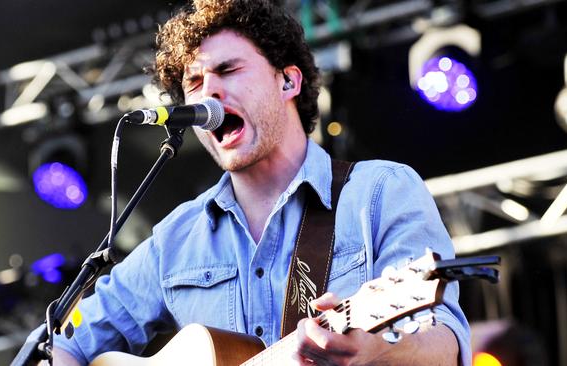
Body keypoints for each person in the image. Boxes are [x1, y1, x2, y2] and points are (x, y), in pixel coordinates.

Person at [47, 0, 470, 364]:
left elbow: (446, 345)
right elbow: (64, 345)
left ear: (288, 80)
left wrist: (376, 353)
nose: (207, 94)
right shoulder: (174, 242)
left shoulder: (379, 192)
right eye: (193, 83)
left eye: (227, 69)